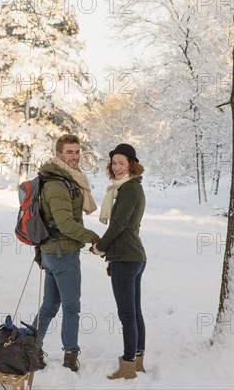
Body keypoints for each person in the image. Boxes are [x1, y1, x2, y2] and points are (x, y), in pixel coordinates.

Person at [33, 134, 100, 372]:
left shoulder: (58, 178)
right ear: (58, 155)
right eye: (69, 152)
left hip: (52, 253)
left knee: (50, 305)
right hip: (63, 253)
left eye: (77, 152)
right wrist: (93, 238)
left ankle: (32, 348)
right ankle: (70, 357)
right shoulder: (57, 184)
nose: (74, 156)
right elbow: (64, 223)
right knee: (71, 307)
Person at [91, 143, 147, 380]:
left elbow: (119, 224)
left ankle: (128, 366)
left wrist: (100, 247)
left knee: (127, 316)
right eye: (114, 163)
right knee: (134, 313)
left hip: (126, 259)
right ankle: (138, 359)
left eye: (122, 162)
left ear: (132, 164)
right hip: (133, 256)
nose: (117, 167)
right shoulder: (128, 188)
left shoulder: (129, 189)